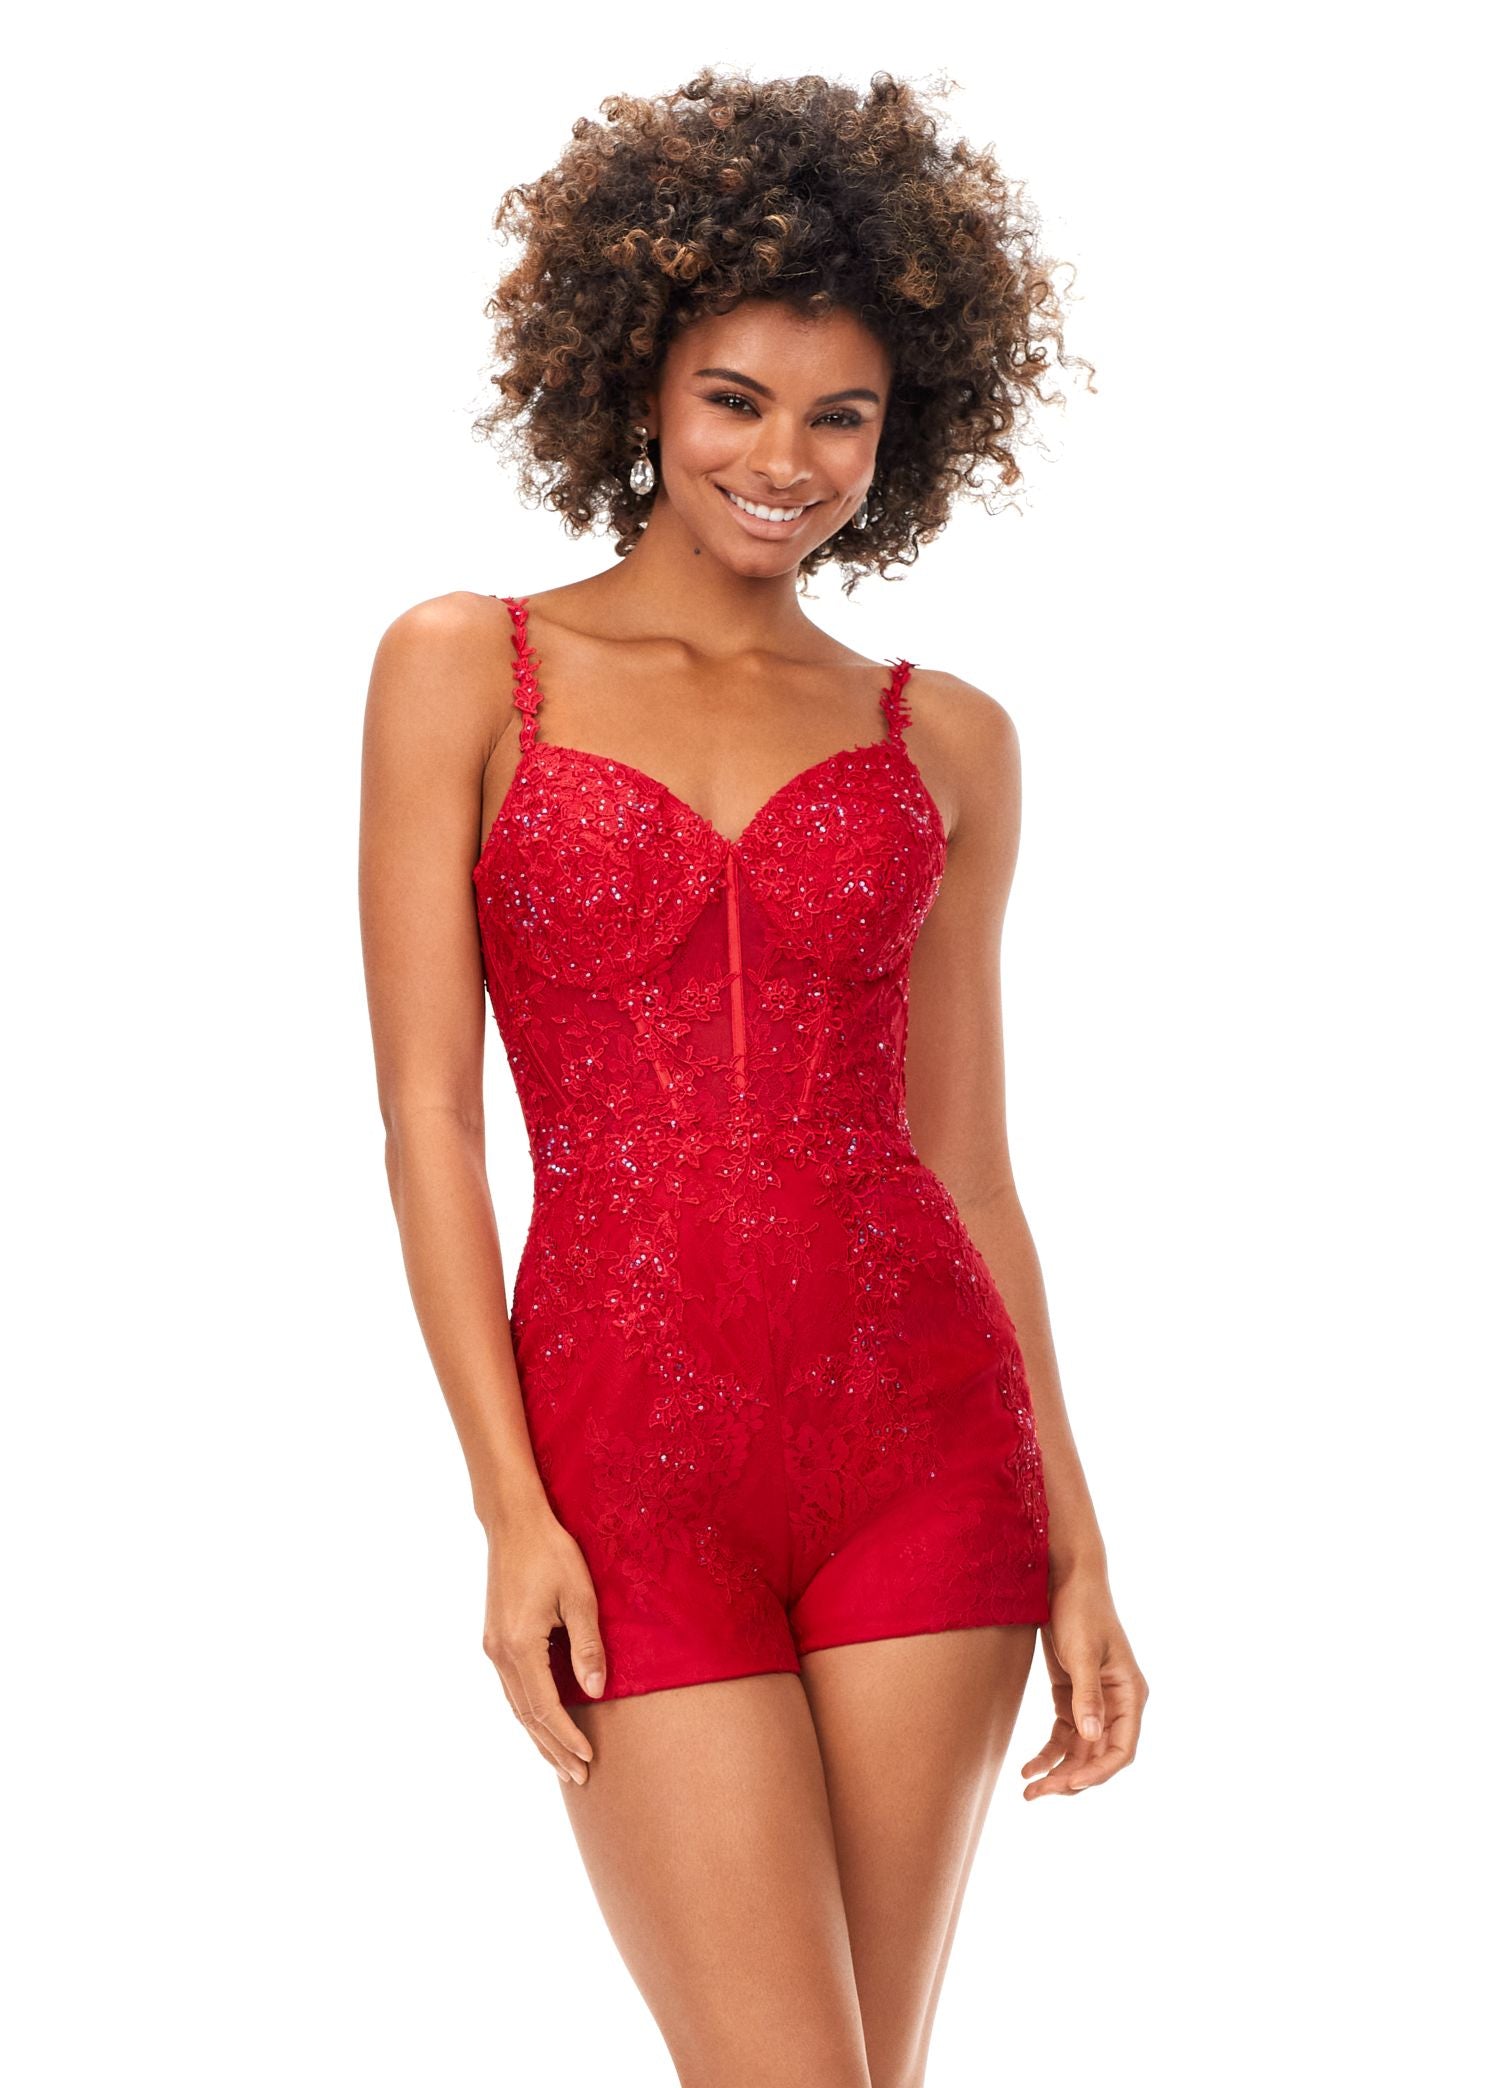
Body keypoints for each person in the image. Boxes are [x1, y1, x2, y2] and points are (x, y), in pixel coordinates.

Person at [359, 66, 1147, 2088]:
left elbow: (968, 1163)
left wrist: (1075, 1542)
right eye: (734, 398)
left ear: (905, 429)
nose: (783, 460)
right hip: (624, 1466)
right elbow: (430, 1120)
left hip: (923, 1455)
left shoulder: (943, 736)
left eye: (839, 415)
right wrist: (506, 1508)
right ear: (635, 378)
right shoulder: (464, 666)